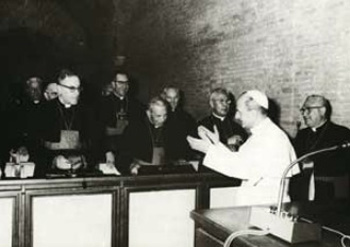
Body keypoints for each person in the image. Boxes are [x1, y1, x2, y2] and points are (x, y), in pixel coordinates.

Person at [187, 90, 299, 206]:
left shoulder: (271, 137)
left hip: (266, 206)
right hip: (259, 205)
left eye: (239, 112)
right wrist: (217, 145)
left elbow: (240, 168)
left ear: (253, 113)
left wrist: (208, 149)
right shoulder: (261, 134)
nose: (236, 116)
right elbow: (240, 159)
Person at [290, 95, 350, 202]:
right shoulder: (302, 135)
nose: (304, 114)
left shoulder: (341, 134)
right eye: (303, 110)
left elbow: (344, 165)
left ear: (322, 111)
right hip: (302, 192)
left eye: (308, 109)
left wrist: (314, 165)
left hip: (329, 194)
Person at [39, 69, 94, 176]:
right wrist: (53, 160)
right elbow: (35, 145)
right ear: (59, 89)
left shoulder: (87, 111)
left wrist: (83, 159)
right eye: (72, 89)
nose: (77, 93)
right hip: (50, 175)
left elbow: (96, 143)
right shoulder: (43, 111)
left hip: (81, 174)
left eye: (79, 88)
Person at [118, 97, 188, 175]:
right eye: (158, 116)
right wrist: (130, 166)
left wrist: (179, 159)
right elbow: (123, 154)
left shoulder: (171, 127)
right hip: (142, 171)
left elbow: (179, 151)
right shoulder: (135, 128)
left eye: (165, 115)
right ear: (148, 113)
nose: (163, 119)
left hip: (165, 172)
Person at [97, 72, 145, 164]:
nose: (124, 86)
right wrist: (107, 151)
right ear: (113, 84)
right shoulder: (102, 103)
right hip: (108, 152)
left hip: (130, 152)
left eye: (126, 83)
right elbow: (98, 131)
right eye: (120, 83)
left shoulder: (136, 105)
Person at [160, 86, 197, 159]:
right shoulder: (158, 116)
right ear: (164, 98)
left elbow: (192, 141)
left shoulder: (187, 118)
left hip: (182, 159)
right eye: (169, 98)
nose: (173, 101)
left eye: (175, 98)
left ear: (179, 98)